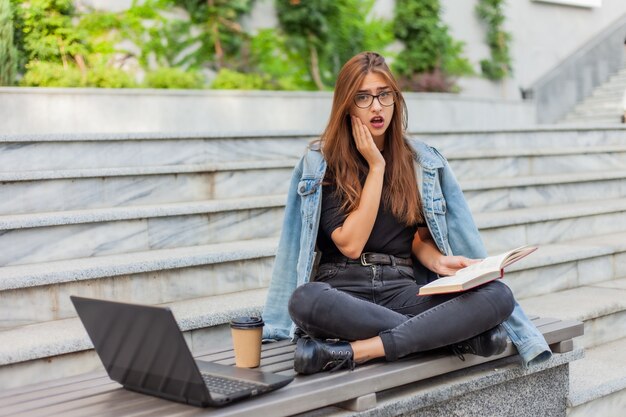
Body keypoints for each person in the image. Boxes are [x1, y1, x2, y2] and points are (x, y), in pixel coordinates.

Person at [262, 52, 552, 374]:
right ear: (346, 104)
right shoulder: (323, 162)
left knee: (498, 296)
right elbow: (351, 244)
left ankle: (358, 351)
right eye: (363, 97)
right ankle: (455, 337)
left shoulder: (417, 161)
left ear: (395, 100)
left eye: (384, 94)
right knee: (305, 301)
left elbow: (413, 238)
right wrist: (376, 166)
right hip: (343, 288)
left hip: (401, 287)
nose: (376, 106)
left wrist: (437, 261)